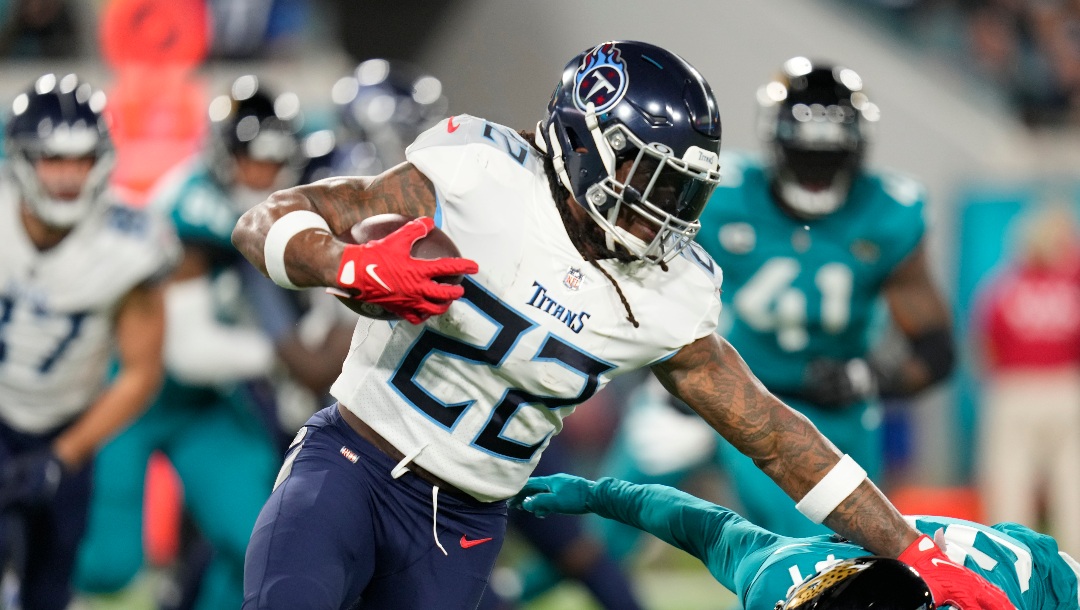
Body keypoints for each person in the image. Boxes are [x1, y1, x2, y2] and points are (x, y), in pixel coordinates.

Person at [231, 40, 1012, 609]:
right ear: (582, 142)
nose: (667, 203)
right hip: (352, 466)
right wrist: (342, 264)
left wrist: (911, 547)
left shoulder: (670, 291)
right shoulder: (479, 176)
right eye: (649, 173)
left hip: (466, 525)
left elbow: (778, 438)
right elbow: (270, 219)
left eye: (683, 184)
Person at [597, 56, 956, 549]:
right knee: (598, 529)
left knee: (837, 561)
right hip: (712, 388)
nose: (815, 171)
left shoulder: (890, 214)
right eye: (806, 153)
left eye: (829, 156)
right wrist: (661, 376)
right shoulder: (723, 196)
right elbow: (639, 282)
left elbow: (937, 351)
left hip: (824, 410)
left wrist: (869, 377)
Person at [74, 75, 317, 610]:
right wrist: (279, 357)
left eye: (275, 162)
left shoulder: (282, 208)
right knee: (106, 565)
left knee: (260, 546)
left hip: (205, 405)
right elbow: (185, 350)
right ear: (224, 154)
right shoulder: (189, 206)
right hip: (131, 393)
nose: (264, 176)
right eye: (254, 160)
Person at [0, 73, 179, 610]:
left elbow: (142, 373)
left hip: (67, 426)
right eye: (54, 160)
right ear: (22, 159)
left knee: (52, 583)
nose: (69, 177)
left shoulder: (131, 241)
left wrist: (62, 456)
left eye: (81, 160)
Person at [514, 473, 1080, 609]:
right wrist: (597, 493)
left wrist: (597, 492)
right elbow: (697, 522)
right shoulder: (780, 578)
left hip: (1043, 576)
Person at [973, 204, 1080, 556]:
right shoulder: (1072, 287)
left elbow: (985, 347)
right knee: (1073, 486)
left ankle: (1007, 559)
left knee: (1009, 485)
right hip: (1066, 387)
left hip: (1014, 388)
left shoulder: (1003, 288)